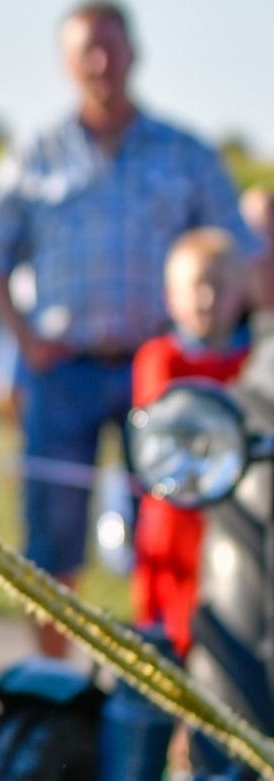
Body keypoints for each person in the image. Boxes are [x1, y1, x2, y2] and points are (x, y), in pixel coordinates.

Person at [0, 0, 258, 656]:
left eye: (111, 47)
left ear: (133, 54)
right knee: (52, 532)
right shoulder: (36, 154)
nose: (100, 62)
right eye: (85, 51)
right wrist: (26, 341)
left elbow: (236, 248)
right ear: (68, 64)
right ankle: (54, 683)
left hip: (160, 372)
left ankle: (168, 665)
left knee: (171, 522)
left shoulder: (183, 153)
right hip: (61, 369)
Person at [131, 228, 250, 657]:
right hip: (176, 519)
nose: (207, 299)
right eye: (196, 286)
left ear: (241, 292)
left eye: (218, 286)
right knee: (171, 635)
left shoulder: (254, 361)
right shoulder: (160, 358)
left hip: (238, 518)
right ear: (170, 296)